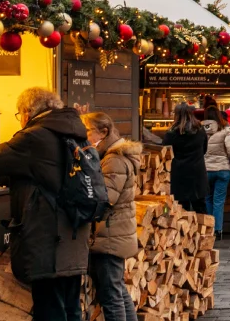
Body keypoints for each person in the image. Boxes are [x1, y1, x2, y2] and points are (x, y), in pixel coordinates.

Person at [0, 88, 90, 321]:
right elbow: (42, 173)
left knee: (49, 312)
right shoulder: (72, 132)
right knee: (71, 310)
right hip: (73, 238)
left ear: (27, 112)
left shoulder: (35, 136)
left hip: (49, 242)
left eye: (19, 114)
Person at [81, 113, 141, 321]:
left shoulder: (113, 159)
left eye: (88, 130)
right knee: (117, 290)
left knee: (111, 295)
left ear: (103, 132)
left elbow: (105, 198)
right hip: (113, 232)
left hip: (110, 234)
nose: (84, 135)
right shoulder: (111, 156)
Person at [163, 103, 209, 214]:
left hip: (179, 176)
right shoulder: (200, 131)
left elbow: (165, 154)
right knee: (201, 210)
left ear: (176, 115)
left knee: (182, 211)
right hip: (198, 174)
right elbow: (204, 150)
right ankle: (204, 231)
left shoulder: (171, 135)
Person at [201, 107, 230, 239]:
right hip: (222, 169)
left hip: (206, 170)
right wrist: (229, 160)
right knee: (219, 201)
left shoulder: (200, 131)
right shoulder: (225, 130)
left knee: (208, 199)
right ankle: (218, 230)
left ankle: (210, 229)